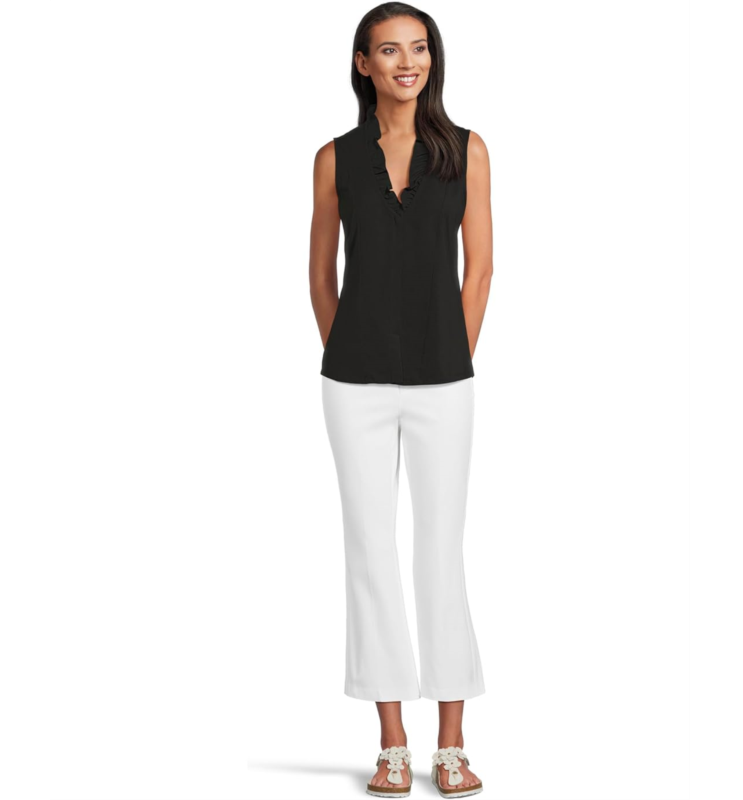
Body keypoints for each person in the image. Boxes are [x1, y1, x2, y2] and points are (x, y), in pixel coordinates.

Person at [310, 4, 493, 797]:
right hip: (352, 384)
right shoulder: (334, 157)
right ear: (363, 64)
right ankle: (391, 741)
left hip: (444, 380)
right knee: (370, 552)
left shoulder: (467, 150)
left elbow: (479, 270)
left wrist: (448, 355)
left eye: (418, 48)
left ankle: (452, 742)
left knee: (440, 551)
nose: (407, 62)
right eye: (389, 50)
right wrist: (350, 352)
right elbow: (320, 274)